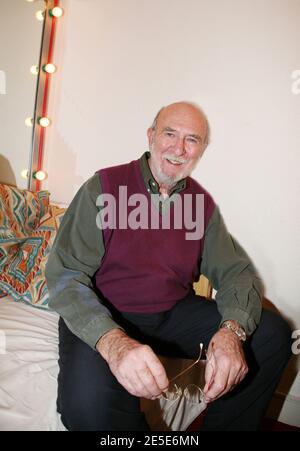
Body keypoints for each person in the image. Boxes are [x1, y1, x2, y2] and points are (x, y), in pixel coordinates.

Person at [46, 101, 292, 431]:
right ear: (150, 136)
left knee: (272, 334)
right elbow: (66, 275)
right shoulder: (103, 187)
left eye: (192, 139)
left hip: (169, 316)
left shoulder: (200, 204)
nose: (179, 148)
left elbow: (235, 272)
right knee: (88, 409)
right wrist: (114, 343)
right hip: (105, 316)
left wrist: (232, 330)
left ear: (202, 149)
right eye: (170, 133)